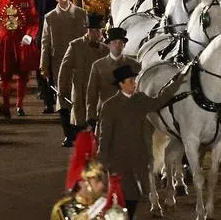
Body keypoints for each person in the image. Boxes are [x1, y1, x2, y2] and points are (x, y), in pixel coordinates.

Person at [96, 63, 191, 218]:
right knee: (121, 197)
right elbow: (104, 135)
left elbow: (160, 100)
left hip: (138, 156)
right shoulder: (109, 106)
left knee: (132, 198)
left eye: (134, 80)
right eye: (131, 81)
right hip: (118, 159)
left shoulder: (140, 99)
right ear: (121, 84)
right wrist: (102, 158)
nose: (135, 84)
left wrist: (177, 82)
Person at [0, 0, 40, 118]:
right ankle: (6, 105)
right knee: (5, 76)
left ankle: (19, 105)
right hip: (4, 44)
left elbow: (34, 22)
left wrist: (30, 35)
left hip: (22, 43)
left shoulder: (27, 2)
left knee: (23, 76)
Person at [58, 13, 109, 146]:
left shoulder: (106, 50)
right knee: (82, 128)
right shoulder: (76, 46)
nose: (98, 34)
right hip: (81, 94)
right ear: (88, 30)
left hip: (99, 96)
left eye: (100, 30)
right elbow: (65, 69)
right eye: (95, 30)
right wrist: (63, 90)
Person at [41, 0, 88, 127]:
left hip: (79, 59)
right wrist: (44, 65)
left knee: (80, 91)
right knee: (63, 93)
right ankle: (67, 129)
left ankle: (79, 125)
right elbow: (45, 43)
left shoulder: (81, 13)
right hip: (58, 60)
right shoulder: (50, 17)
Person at [87, 28, 140, 123]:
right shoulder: (98, 66)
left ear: (124, 45)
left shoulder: (134, 65)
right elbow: (92, 94)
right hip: (105, 115)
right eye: (114, 42)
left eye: (120, 42)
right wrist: (91, 117)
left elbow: (140, 91)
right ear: (108, 45)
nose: (117, 45)